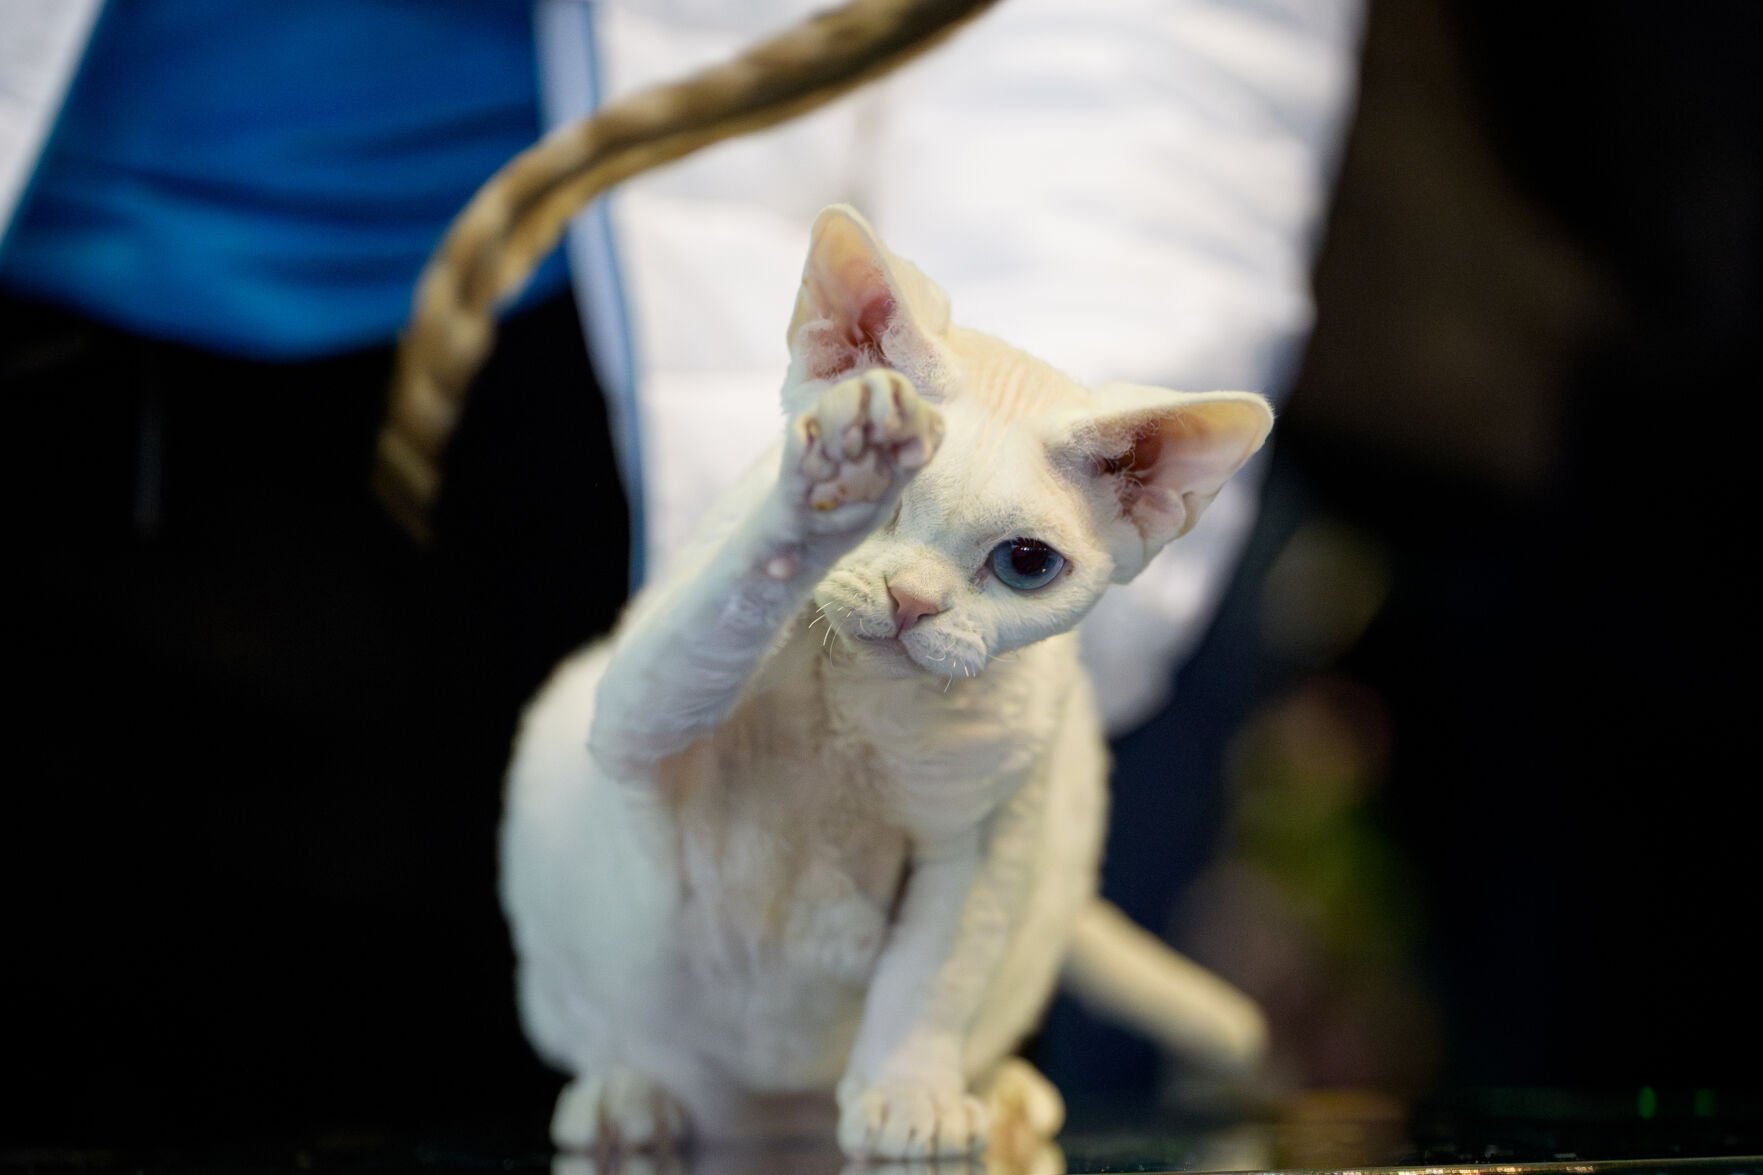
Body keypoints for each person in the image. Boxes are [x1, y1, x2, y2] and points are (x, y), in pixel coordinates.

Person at [0, 0, 1361, 1143]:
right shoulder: (838, 463)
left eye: (1014, 560)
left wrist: (1042, 439)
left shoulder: (1023, 519)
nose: (914, 597)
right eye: (891, 515)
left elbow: (1144, 59)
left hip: (592, 372)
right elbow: (635, 726)